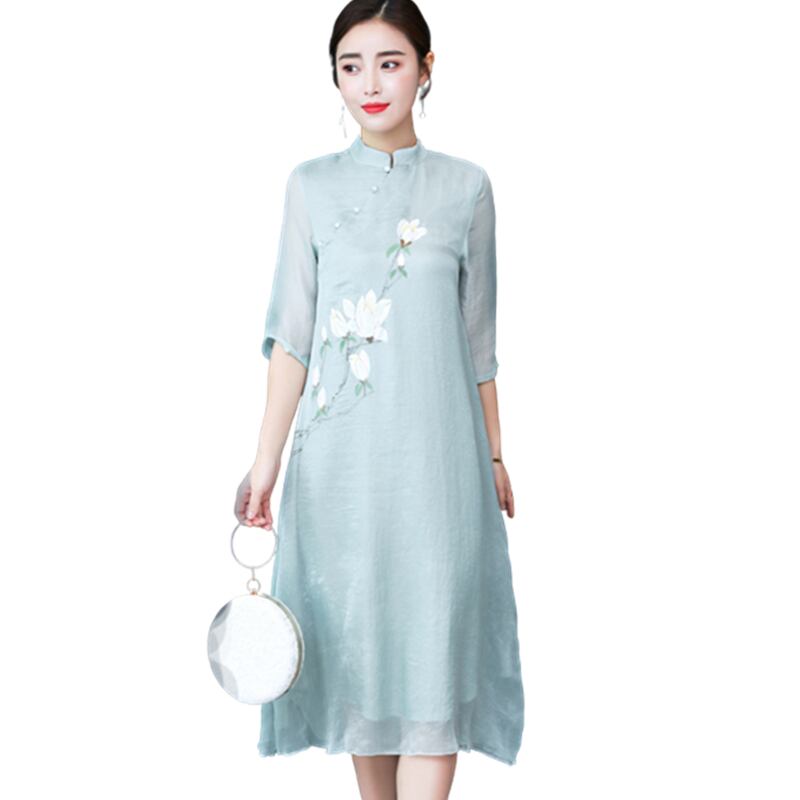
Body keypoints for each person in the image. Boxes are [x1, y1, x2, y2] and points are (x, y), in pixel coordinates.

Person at [234, 1, 524, 797]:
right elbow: (292, 341)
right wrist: (263, 466)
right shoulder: (310, 187)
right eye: (350, 65)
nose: (369, 82)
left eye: (389, 62)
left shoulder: (467, 189)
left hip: (441, 469)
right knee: (364, 664)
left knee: (435, 662)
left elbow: (479, 344)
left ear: (426, 69)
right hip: (340, 471)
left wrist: (496, 456)